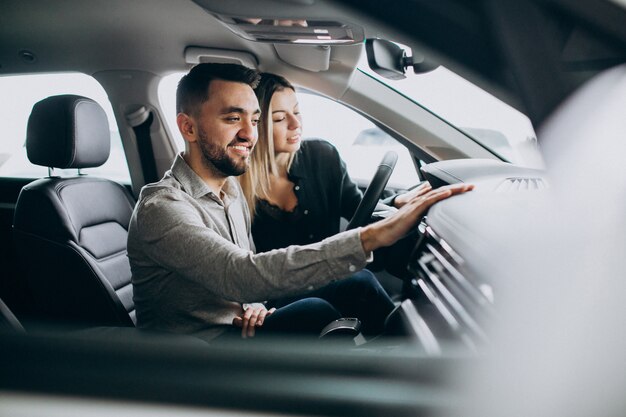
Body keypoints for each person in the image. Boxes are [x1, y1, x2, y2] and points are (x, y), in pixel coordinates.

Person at [127, 63, 473, 343]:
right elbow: (239, 274)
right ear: (188, 127)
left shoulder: (229, 190)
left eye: (255, 119)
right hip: (201, 351)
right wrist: (372, 236)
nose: (250, 134)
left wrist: (255, 305)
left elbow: (242, 283)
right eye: (233, 119)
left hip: (240, 321)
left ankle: (417, 366)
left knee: (361, 285)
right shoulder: (162, 208)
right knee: (315, 313)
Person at [238, 73, 431, 335]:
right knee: (360, 282)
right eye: (280, 118)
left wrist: (397, 202)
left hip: (328, 273)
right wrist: (251, 302)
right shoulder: (236, 183)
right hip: (275, 294)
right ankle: (407, 344)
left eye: (297, 112)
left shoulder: (322, 156)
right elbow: (236, 264)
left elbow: (359, 209)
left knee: (360, 280)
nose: (296, 124)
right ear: (256, 125)